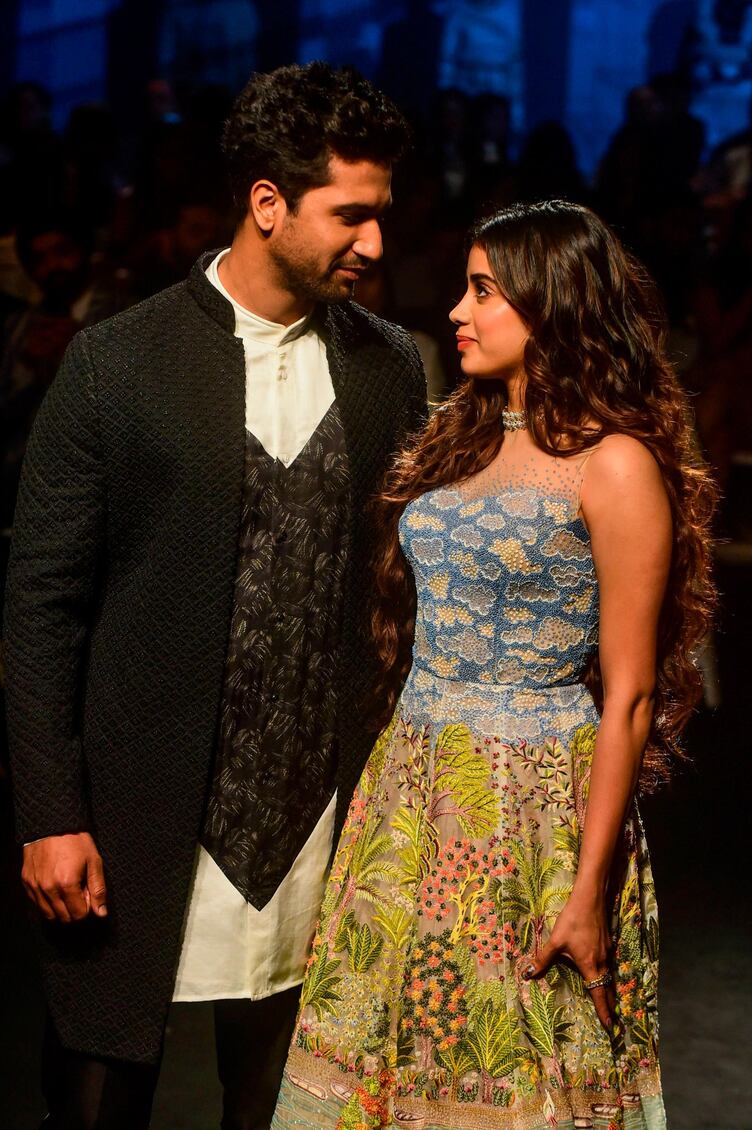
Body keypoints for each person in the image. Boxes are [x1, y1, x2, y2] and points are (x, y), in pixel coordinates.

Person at [3, 63, 425, 1130]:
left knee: (287, 1102)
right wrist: (52, 813)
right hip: (141, 818)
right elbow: (42, 603)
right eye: (351, 214)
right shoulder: (116, 363)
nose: (374, 244)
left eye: (381, 215)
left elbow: (398, 584)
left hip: (319, 818)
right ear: (267, 204)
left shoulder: (388, 368)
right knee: (100, 1095)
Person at [272, 200, 716, 1129]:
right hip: (412, 790)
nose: (457, 312)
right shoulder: (464, 433)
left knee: (514, 1069)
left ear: (552, 304)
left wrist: (588, 888)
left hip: (530, 809)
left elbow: (629, 695)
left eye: (483, 291)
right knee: (382, 1061)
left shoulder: (616, 462)